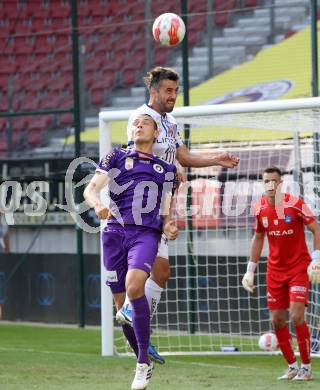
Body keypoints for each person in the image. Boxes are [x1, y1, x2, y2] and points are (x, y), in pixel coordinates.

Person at [116, 66, 240, 364]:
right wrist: (167, 169)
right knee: (143, 274)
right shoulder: (141, 118)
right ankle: (134, 320)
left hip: (163, 202)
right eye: (168, 91)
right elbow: (137, 155)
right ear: (154, 91)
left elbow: (182, 156)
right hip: (141, 204)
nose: (173, 96)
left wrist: (215, 159)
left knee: (161, 273)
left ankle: (133, 317)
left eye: (175, 91)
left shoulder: (171, 122)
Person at [84, 114, 178, 390]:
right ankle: (144, 351)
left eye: (145, 122)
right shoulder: (114, 156)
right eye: (135, 123)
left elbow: (166, 214)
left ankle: (141, 364)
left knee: (134, 287)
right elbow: (90, 190)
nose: (138, 125)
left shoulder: (166, 170)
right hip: (113, 233)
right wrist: (96, 205)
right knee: (120, 306)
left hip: (145, 234)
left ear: (156, 131)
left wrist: (170, 226)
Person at [242, 166, 320, 381]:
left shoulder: (295, 204)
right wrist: (250, 270)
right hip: (274, 271)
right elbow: (258, 238)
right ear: (262, 183)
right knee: (276, 320)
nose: (270, 185)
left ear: (281, 183)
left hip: (298, 268)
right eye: (266, 181)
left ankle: (306, 367)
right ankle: (292, 366)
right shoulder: (258, 208)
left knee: (296, 315)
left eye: (274, 181)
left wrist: (316, 259)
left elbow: (317, 229)